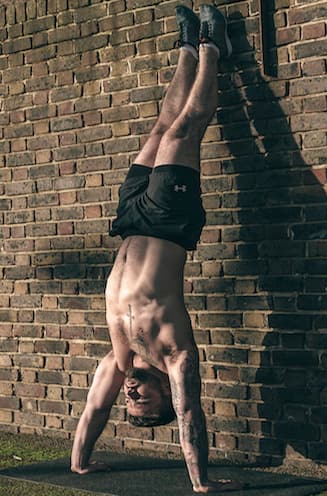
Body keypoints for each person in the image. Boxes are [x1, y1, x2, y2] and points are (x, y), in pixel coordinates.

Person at [69, 4, 243, 493]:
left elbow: (93, 408)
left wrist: (79, 463)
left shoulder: (120, 360)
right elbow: (191, 414)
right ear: (164, 392)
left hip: (130, 223)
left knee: (159, 128)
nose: (131, 393)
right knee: (186, 128)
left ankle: (187, 46)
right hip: (169, 222)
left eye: (132, 402)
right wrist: (201, 484)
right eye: (143, 399)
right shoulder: (176, 357)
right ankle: (214, 45)